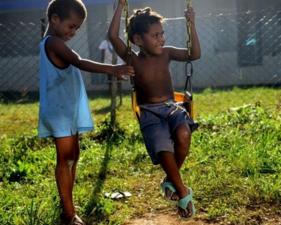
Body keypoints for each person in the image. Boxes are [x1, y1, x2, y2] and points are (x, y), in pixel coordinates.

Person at [38, 1, 134, 224]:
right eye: (71, 26)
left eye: (77, 28)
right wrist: (114, 69)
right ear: (54, 19)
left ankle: (68, 204)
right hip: (59, 111)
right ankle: (69, 214)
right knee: (65, 159)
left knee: (73, 157)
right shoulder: (52, 42)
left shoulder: (54, 41)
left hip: (67, 108)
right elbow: (78, 62)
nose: (73, 32)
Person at [108, 0, 201, 218]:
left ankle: (171, 180)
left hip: (172, 108)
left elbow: (194, 54)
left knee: (184, 135)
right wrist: (120, 7)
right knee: (163, 149)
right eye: (155, 35)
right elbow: (113, 36)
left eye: (162, 34)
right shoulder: (132, 58)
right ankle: (181, 190)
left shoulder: (166, 53)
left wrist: (192, 24)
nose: (161, 39)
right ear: (138, 39)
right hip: (149, 112)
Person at [99, 37, 124, 106]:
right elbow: (102, 54)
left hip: (118, 64)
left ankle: (120, 98)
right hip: (108, 65)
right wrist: (102, 64)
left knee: (119, 82)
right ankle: (112, 99)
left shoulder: (118, 42)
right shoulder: (104, 43)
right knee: (110, 82)